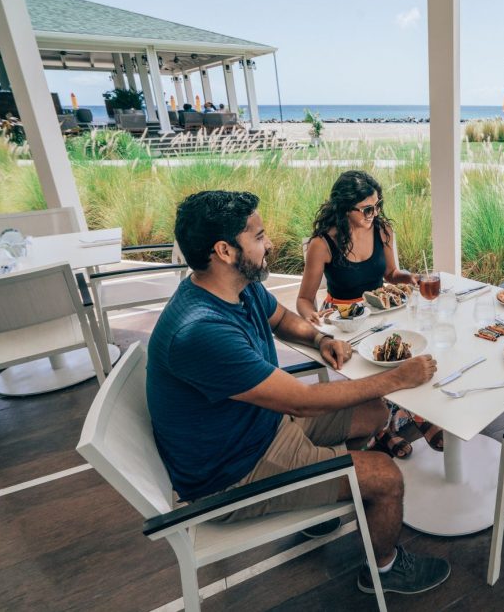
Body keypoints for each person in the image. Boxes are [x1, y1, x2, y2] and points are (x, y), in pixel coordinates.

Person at [146, 190, 450, 596]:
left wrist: (318, 338)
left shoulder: (237, 286)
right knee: (386, 475)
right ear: (224, 250)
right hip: (234, 473)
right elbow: (301, 402)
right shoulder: (201, 330)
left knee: (374, 412)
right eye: (258, 236)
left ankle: (319, 499)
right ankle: (385, 568)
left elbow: (284, 319)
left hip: (259, 429)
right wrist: (396, 378)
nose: (269, 243)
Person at [297, 170, 445, 459]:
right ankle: (388, 426)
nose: (374, 213)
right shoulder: (322, 244)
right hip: (346, 321)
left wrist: (411, 278)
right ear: (344, 208)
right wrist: (311, 316)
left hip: (382, 312)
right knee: (378, 367)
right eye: (367, 208)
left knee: (406, 352)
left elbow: (391, 274)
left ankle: (410, 416)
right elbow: (304, 299)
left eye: (377, 205)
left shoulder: (382, 230)